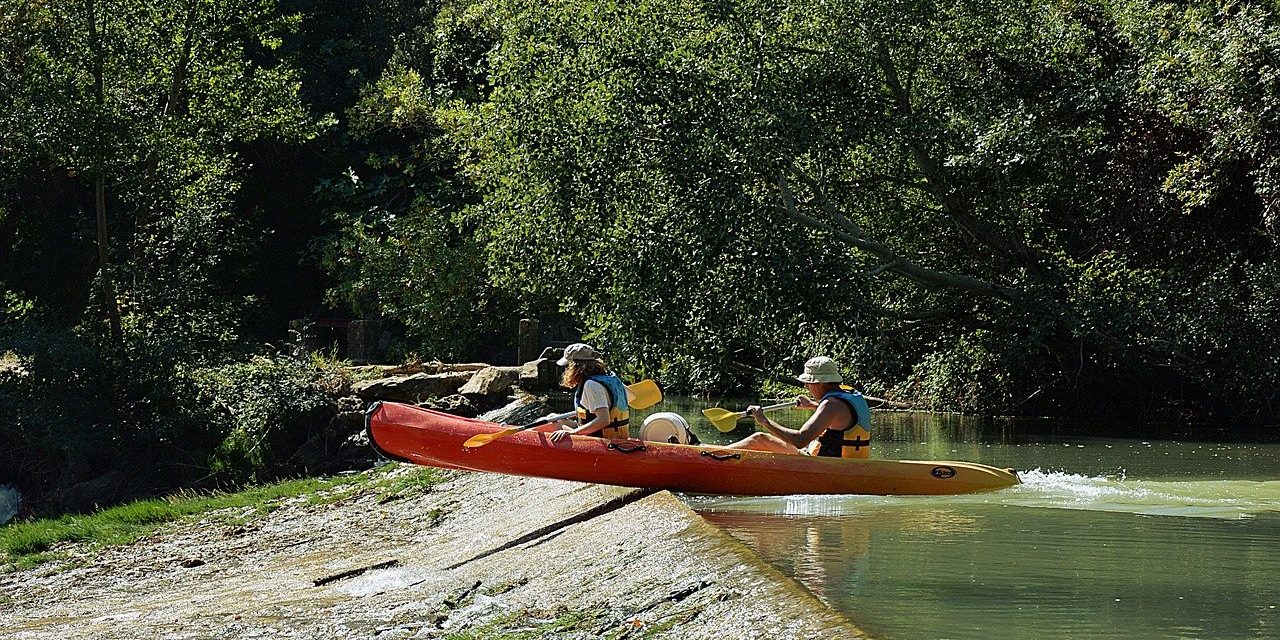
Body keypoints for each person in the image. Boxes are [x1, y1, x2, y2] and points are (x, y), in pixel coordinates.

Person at [722, 356, 872, 458]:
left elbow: (800, 440)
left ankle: (712, 455)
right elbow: (841, 417)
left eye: (809, 382)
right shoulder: (850, 393)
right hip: (851, 464)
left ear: (820, 382)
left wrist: (764, 421)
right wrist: (812, 405)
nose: (806, 386)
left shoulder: (830, 404)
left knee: (759, 439)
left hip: (825, 466)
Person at [545, 343, 631, 443]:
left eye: (568, 366)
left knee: (554, 425)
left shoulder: (592, 385)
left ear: (575, 366)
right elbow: (629, 398)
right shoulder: (611, 379)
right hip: (614, 436)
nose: (566, 369)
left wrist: (574, 432)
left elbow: (604, 420)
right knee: (552, 417)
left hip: (604, 440)